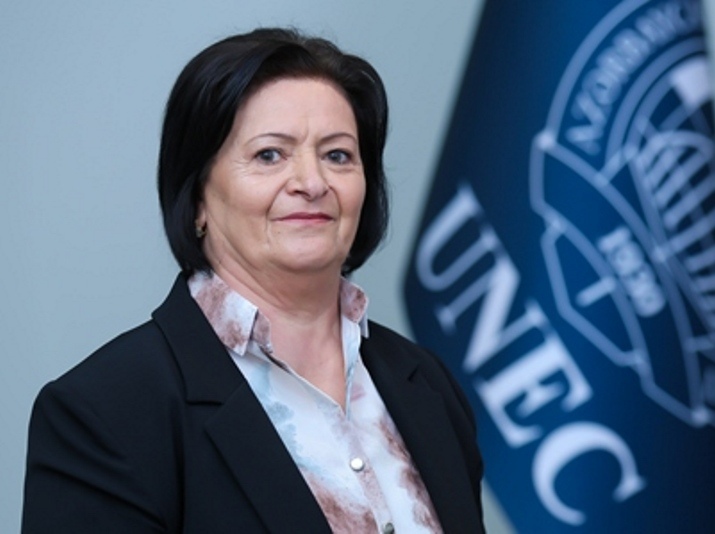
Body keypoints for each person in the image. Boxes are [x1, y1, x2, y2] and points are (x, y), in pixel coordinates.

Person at [22, 28, 485, 534]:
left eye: (337, 155)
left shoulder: (427, 383)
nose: (312, 183)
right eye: (270, 155)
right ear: (197, 197)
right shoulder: (104, 412)